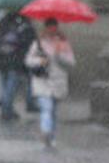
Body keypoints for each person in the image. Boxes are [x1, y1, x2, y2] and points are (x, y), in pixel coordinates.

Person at [25, 18, 75, 149]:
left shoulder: (63, 43)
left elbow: (71, 62)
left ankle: (51, 136)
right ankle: (46, 132)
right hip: (42, 81)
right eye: (50, 27)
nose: (52, 30)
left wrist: (59, 56)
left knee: (52, 111)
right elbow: (29, 60)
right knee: (46, 108)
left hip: (58, 81)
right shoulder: (38, 43)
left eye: (54, 27)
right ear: (46, 28)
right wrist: (41, 61)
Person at [0, 11, 37, 121]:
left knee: (4, 85)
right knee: (11, 87)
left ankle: (7, 107)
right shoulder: (24, 25)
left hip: (1, 60)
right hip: (15, 61)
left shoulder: (3, 23)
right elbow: (29, 43)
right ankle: (6, 110)